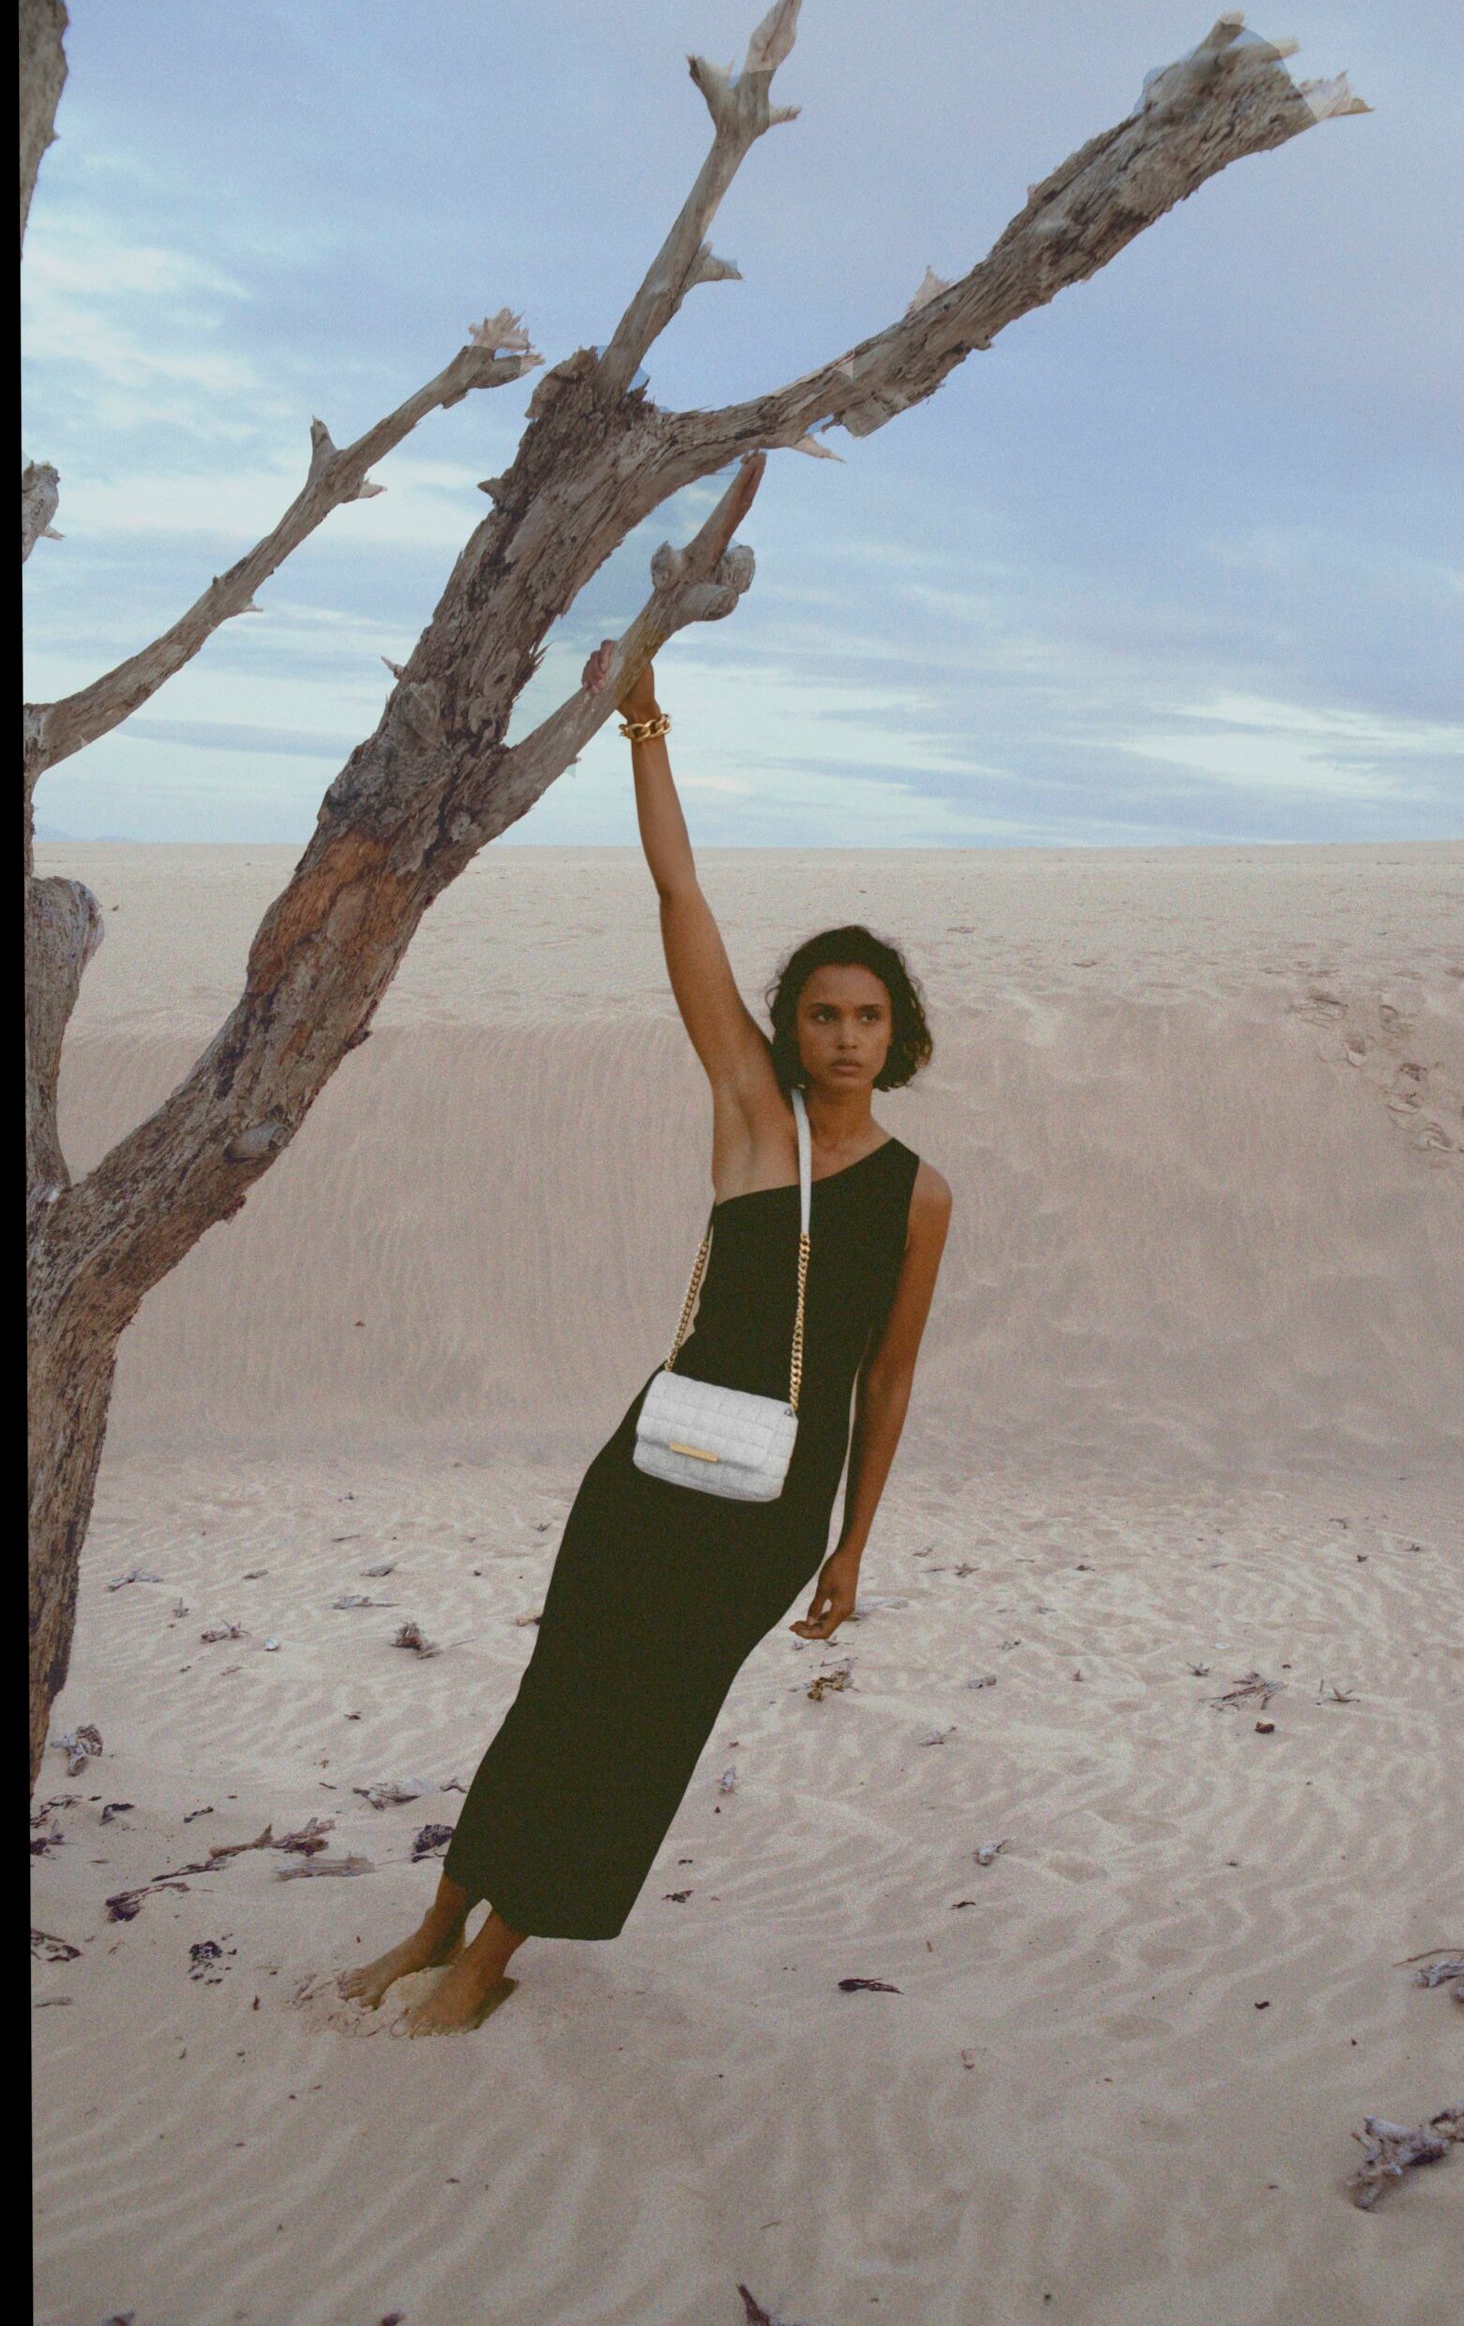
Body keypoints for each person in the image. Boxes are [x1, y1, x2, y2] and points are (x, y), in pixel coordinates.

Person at [339, 645, 952, 2034]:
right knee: (561, 1687)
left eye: (868, 1018)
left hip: (774, 1505)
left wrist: (853, 1545)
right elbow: (683, 898)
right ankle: (436, 1920)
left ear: (897, 1035)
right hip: (655, 1457)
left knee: (644, 1724)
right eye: (823, 1014)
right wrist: (644, 721)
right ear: (790, 1027)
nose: (845, 1036)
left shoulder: (923, 1196)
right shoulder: (753, 1117)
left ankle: (491, 1962)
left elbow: (889, 1377)